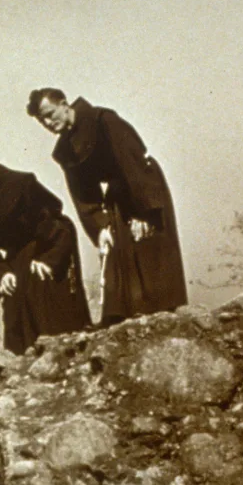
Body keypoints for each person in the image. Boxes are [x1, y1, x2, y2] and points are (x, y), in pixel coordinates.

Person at [26, 89, 186, 326]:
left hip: (143, 186)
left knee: (149, 247)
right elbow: (83, 194)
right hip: (116, 195)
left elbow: (133, 162)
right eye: (43, 121)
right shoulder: (64, 151)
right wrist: (99, 225)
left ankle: (164, 314)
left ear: (64, 104)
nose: (49, 123)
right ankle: (126, 318)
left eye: (50, 114)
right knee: (115, 251)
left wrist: (144, 212)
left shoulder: (104, 121)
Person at [0, 155, 91, 355]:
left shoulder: (21, 184)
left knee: (47, 294)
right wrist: (1, 274)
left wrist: (49, 258)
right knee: (15, 302)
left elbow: (54, 219)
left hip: (51, 240)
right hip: (18, 253)